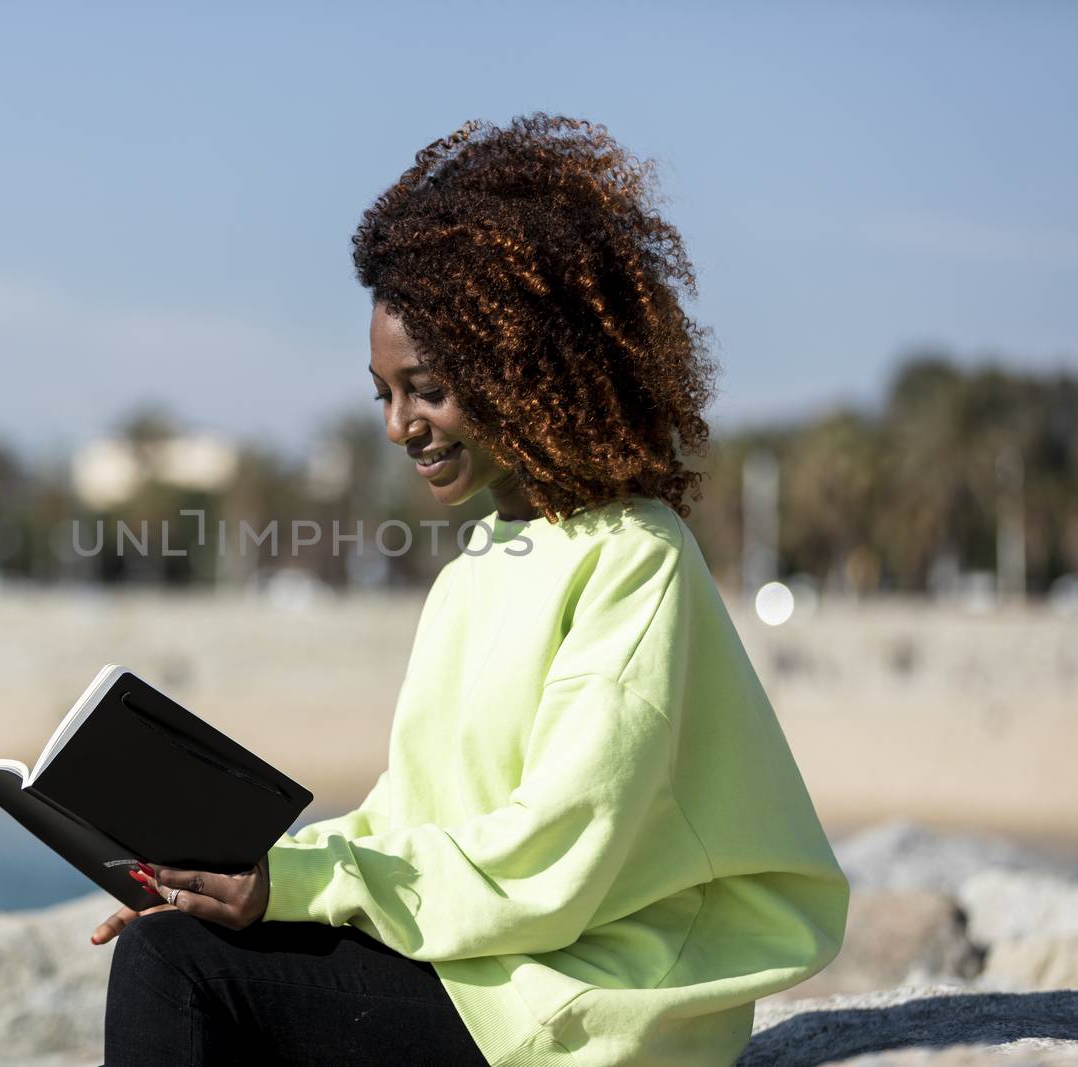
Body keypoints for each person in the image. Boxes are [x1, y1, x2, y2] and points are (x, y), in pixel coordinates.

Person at [92, 113, 849, 1067]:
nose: (402, 424)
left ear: (522, 365)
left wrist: (293, 883)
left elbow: (554, 854)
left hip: (592, 994)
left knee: (177, 968)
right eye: (384, 394)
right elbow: (413, 821)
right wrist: (227, 876)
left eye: (429, 387)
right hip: (487, 967)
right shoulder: (479, 567)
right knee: (188, 940)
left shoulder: (635, 558)